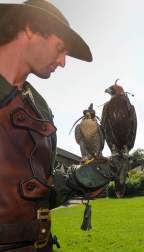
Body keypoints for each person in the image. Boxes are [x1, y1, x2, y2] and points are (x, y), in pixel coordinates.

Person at [0, 1, 117, 251]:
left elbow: (33, 193)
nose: (63, 62)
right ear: (30, 28)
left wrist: (77, 180)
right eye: (60, 48)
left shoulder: (39, 108)